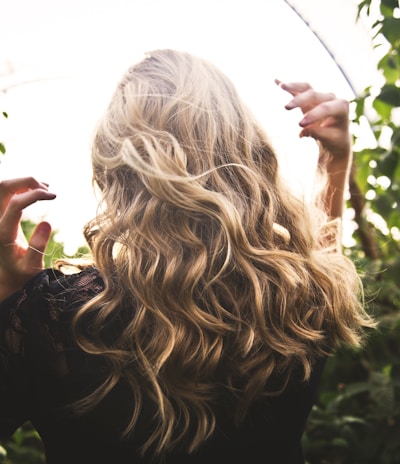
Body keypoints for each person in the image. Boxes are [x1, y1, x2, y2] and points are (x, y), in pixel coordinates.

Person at [0, 49, 374, 464]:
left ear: (115, 166)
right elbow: (323, 262)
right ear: (244, 148)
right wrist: (335, 162)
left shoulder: (55, 319)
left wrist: (11, 302)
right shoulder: (302, 295)